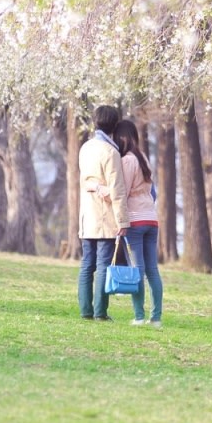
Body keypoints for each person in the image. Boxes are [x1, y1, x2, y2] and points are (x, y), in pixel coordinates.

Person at [78, 105, 130, 321]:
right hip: (105, 217)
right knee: (102, 266)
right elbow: (117, 189)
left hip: (87, 215)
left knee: (86, 265)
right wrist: (123, 221)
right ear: (114, 125)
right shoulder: (111, 152)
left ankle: (85, 311)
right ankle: (100, 312)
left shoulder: (86, 147)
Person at [112, 119, 163, 327]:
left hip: (135, 220)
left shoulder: (127, 161)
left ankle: (139, 316)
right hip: (151, 219)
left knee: (137, 270)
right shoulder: (143, 158)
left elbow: (120, 191)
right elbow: (152, 192)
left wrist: (99, 189)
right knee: (152, 270)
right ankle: (156, 318)